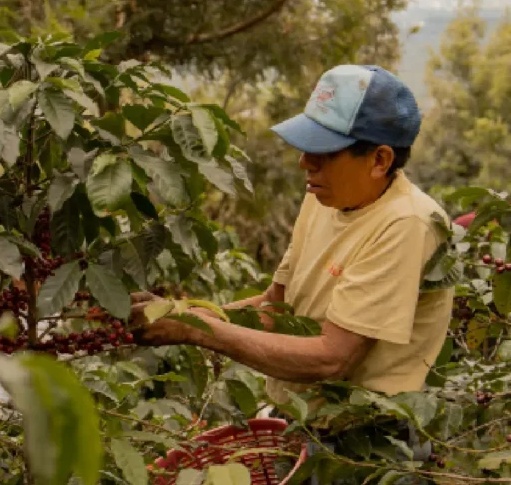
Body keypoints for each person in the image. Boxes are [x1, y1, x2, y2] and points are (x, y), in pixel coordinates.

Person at [129, 65, 454, 474]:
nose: (304, 162)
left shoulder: (407, 224)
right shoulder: (325, 198)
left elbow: (332, 359)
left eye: (323, 152)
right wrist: (180, 314)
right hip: (300, 428)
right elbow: (274, 307)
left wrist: (195, 329)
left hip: (366, 449)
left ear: (379, 160)